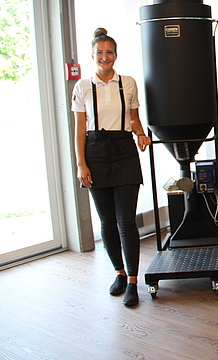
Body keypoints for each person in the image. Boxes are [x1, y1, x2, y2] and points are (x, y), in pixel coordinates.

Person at [71, 28, 151, 306]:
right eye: (99, 53)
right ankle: (118, 272)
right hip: (94, 151)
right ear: (92, 56)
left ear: (116, 54)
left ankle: (132, 281)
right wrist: (81, 164)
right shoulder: (82, 86)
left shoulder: (127, 83)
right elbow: (80, 129)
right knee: (106, 221)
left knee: (126, 220)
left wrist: (141, 134)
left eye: (109, 52)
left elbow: (134, 118)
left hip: (124, 149)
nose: (105, 57)